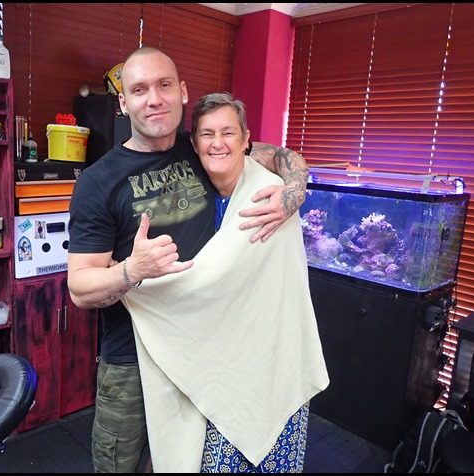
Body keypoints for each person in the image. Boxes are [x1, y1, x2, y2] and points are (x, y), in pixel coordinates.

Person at [67, 47, 310, 473]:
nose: (154, 99)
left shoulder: (200, 148)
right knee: (119, 464)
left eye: (163, 85)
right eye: (139, 90)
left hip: (202, 348)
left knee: (184, 461)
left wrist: (295, 188)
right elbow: (80, 288)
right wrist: (132, 270)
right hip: (132, 357)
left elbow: (276, 154)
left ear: (181, 91)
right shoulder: (98, 182)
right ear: (123, 102)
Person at [121, 92, 329, 472]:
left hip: (266, 355)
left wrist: (295, 189)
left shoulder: (270, 199)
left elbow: (287, 156)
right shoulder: (193, 180)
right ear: (194, 142)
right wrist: (132, 275)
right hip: (218, 357)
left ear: (245, 139)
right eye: (207, 134)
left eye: (228, 132)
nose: (218, 143)